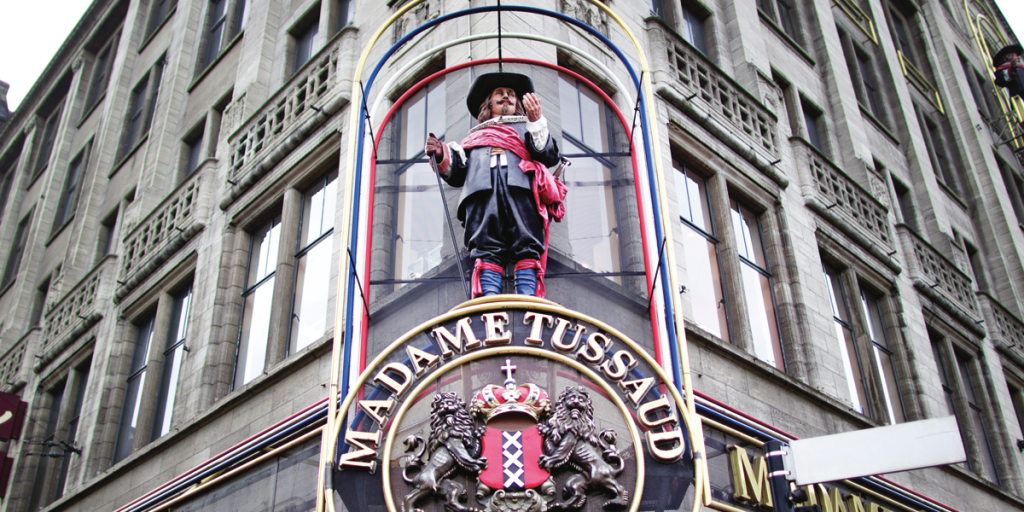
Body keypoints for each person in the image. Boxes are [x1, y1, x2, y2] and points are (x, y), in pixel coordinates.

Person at [424, 72, 567, 298]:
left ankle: (528, 298)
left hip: (521, 192)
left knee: (527, 244)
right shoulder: (475, 137)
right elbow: (458, 171)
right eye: (499, 93)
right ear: (488, 103)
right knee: (486, 247)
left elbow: (548, 155)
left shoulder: (528, 129)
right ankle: (488, 298)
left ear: (518, 104)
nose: (506, 97)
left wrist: (536, 121)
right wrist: (441, 153)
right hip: (481, 195)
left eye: (511, 94)